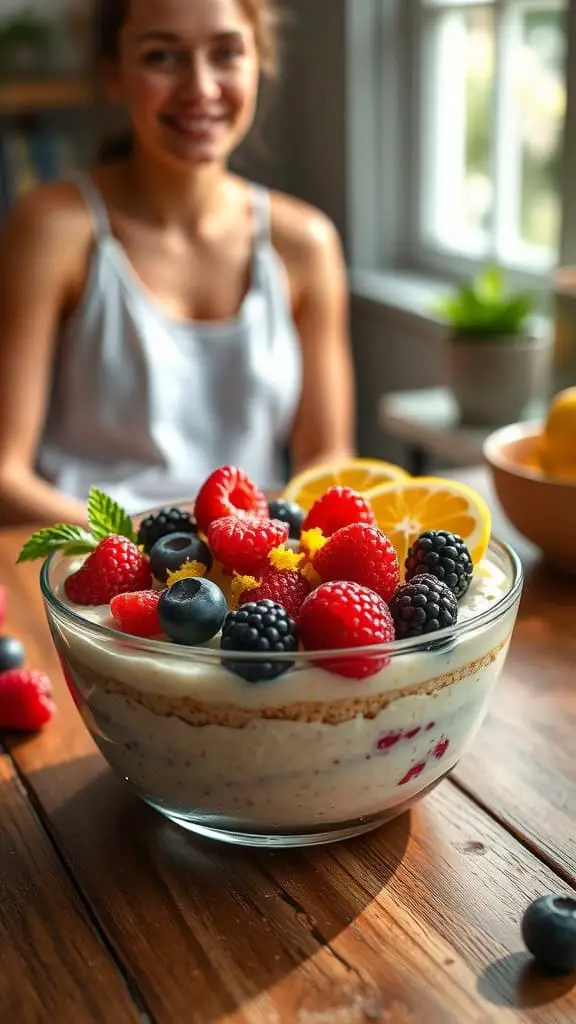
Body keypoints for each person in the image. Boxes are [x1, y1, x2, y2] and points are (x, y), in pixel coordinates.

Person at [0, 0, 355, 527]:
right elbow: (7, 475)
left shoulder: (305, 243)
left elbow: (329, 462)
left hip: (241, 580)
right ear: (114, 75)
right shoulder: (52, 228)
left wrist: (240, 554)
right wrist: (152, 548)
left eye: (227, 53)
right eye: (162, 57)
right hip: (85, 567)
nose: (201, 88)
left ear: (259, 63)